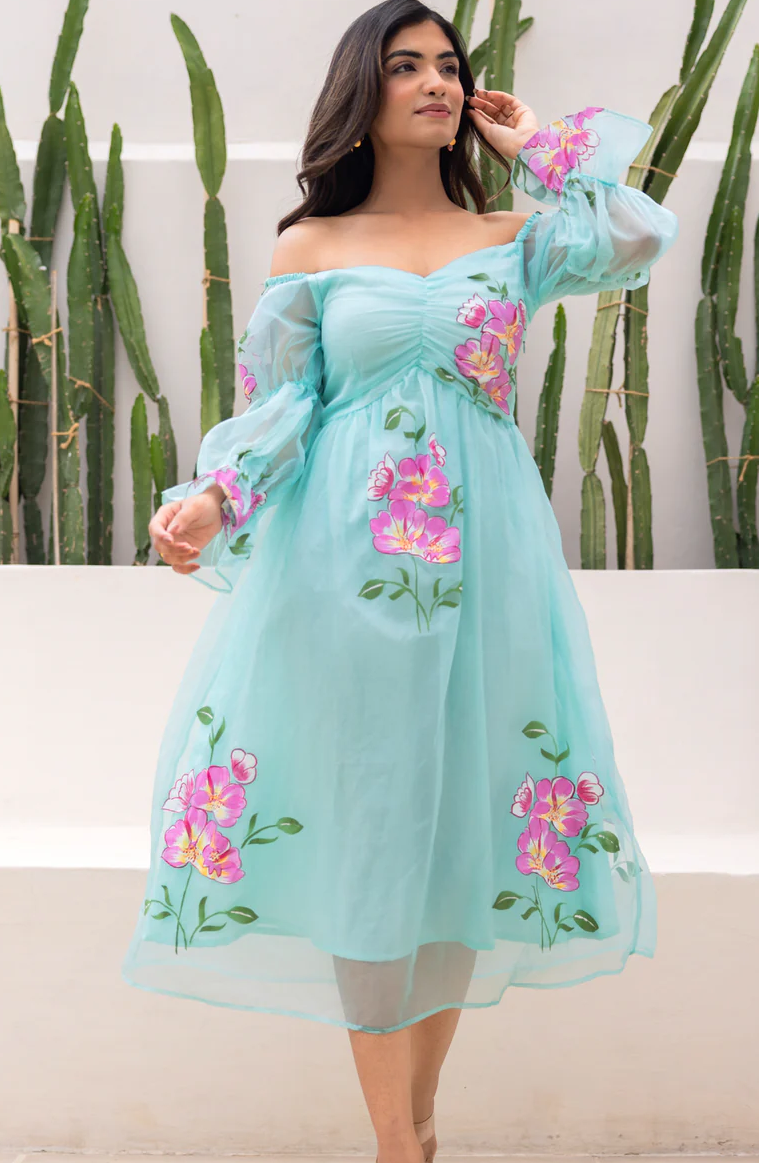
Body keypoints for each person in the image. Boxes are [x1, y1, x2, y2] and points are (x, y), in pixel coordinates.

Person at [121, 2, 679, 1160]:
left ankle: (418, 1125)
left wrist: (534, 147)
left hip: (491, 568)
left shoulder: (514, 237)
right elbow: (283, 406)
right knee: (375, 825)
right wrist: (213, 498)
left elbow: (634, 234)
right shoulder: (312, 248)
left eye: (449, 65)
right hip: (345, 569)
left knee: (462, 829)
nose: (435, 81)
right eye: (406, 64)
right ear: (360, 91)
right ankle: (396, 1140)